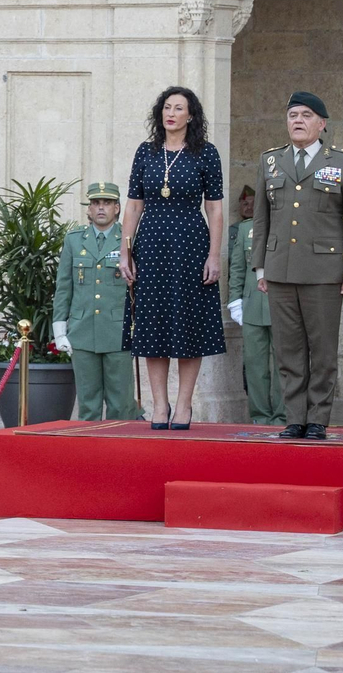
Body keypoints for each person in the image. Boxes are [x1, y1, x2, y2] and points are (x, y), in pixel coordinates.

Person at [250, 92, 343, 441]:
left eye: (305, 115)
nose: (297, 121)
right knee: (288, 349)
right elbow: (261, 217)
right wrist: (260, 267)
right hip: (280, 268)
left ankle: (318, 417)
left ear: (322, 123)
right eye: (292, 115)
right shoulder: (271, 162)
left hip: (324, 270)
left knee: (321, 349)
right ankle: (294, 417)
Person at [119, 87, 224, 432]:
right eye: (167, 107)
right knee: (153, 326)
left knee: (189, 326)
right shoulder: (146, 152)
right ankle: (159, 404)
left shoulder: (205, 153)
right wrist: (125, 251)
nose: (172, 113)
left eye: (179, 108)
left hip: (191, 244)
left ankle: (183, 404)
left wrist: (214, 255)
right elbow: (134, 205)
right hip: (150, 245)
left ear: (191, 116)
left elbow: (215, 208)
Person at [53, 182, 138, 421]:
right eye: (96, 203)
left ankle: (120, 455)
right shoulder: (74, 240)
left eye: (107, 203)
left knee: (121, 404)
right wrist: (60, 330)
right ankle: (88, 455)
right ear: (88, 209)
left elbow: (139, 289)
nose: (101, 208)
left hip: (118, 331)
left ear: (118, 208)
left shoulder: (129, 240)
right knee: (88, 406)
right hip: (83, 331)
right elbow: (64, 287)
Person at [227, 191, 284, 427]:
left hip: (282, 306)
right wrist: (235, 299)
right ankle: (260, 416)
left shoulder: (287, 226)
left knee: (284, 366)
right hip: (252, 305)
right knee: (255, 365)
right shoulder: (245, 229)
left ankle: (282, 417)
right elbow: (238, 268)